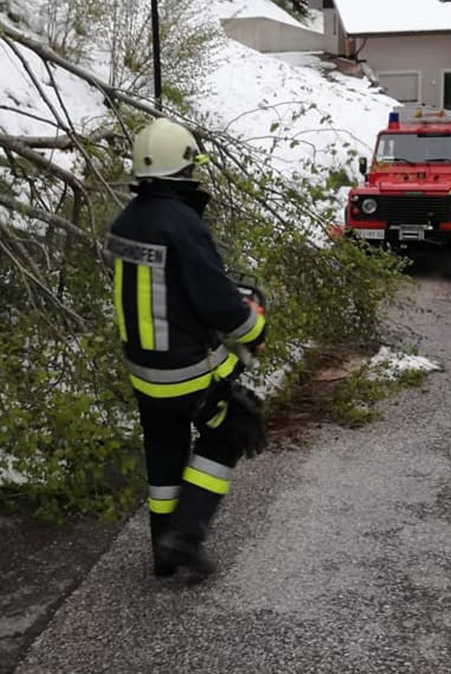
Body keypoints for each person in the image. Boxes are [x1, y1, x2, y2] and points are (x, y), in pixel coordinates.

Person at [106, 117, 268, 580]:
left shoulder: (125, 221)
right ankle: (187, 533)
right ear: (183, 170)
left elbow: (162, 290)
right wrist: (251, 327)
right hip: (185, 372)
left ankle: (162, 552)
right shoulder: (182, 224)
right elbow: (217, 300)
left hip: (143, 371)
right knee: (233, 426)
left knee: (164, 448)